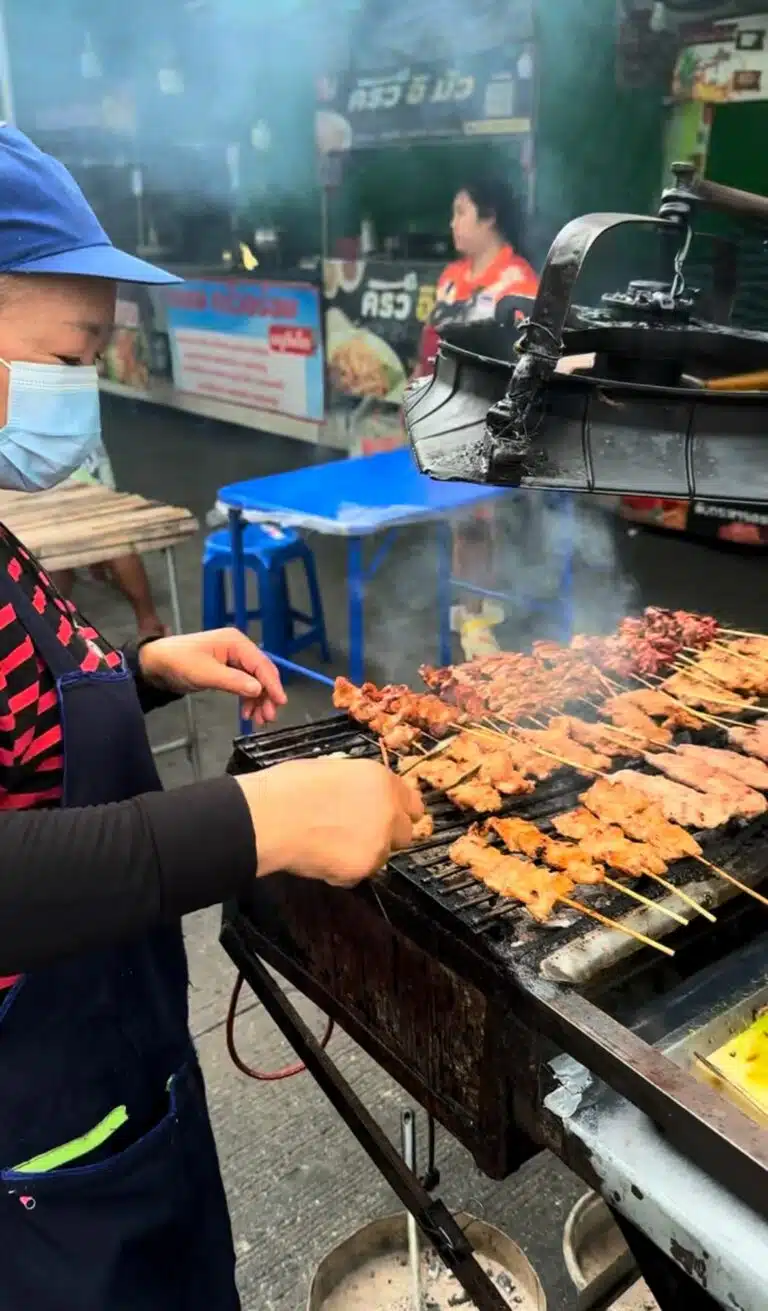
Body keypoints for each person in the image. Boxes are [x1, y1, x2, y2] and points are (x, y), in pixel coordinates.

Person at [0, 124, 422, 1311]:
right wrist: (261, 821)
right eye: (70, 353)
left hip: (122, 1071)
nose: (80, 389)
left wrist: (139, 669)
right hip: (39, 1148)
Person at [416, 179, 539, 659]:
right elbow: (429, 346)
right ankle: (472, 603)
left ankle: (474, 615)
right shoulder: (450, 277)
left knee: (476, 520)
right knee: (462, 521)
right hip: (443, 413)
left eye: (460, 212)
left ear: (489, 217)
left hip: (491, 421)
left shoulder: (518, 282)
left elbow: (528, 363)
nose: (452, 224)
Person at [53, 442, 169, 638]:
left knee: (56, 551)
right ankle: (148, 621)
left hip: (65, 478)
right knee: (108, 537)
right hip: (84, 473)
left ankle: (52, 626)